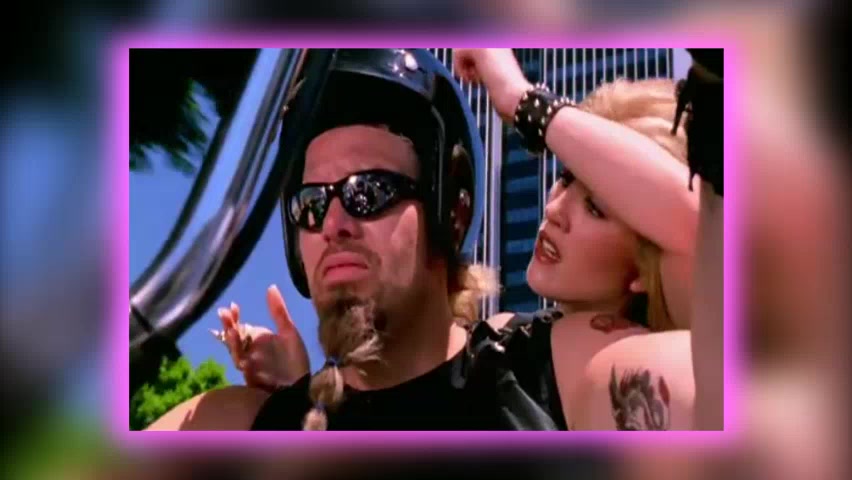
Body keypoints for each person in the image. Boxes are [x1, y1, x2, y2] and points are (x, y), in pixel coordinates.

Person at [217, 49, 708, 430]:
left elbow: (700, 226)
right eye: (564, 178)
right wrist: (304, 392)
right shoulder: (501, 350)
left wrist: (522, 99)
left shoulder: (570, 361)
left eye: (371, 191)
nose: (556, 209)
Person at [147, 48, 565, 431]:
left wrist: (523, 100)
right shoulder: (243, 424)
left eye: (368, 191)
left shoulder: (539, 375)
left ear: (450, 214)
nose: (332, 223)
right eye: (311, 203)